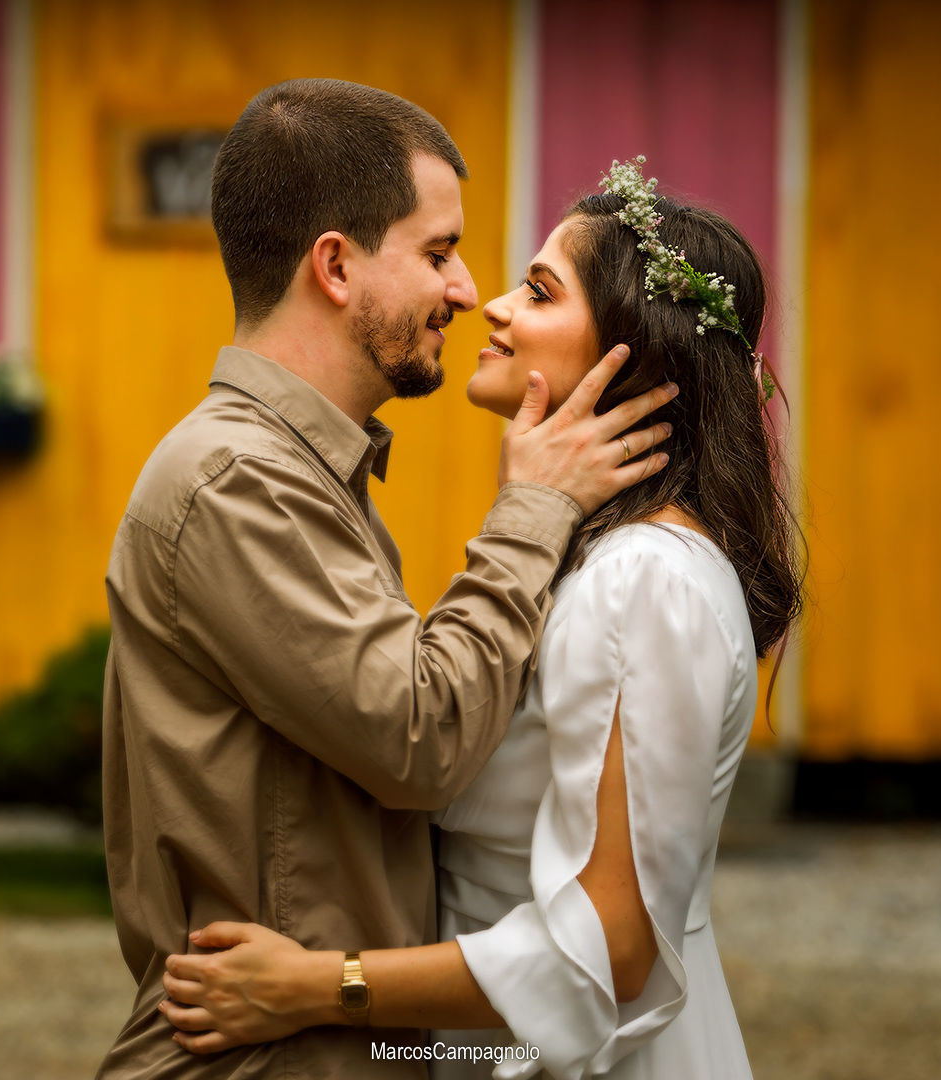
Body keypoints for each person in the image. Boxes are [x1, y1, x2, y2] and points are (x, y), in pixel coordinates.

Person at [155, 159, 805, 1079]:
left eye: (538, 292)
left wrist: (316, 987)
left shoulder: (647, 579)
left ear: (634, 353)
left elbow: (614, 948)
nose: (488, 306)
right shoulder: (591, 557)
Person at [96, 83, 676, 1080]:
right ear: (334, 265)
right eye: (438, 252)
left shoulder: (303, 470)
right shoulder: (237, 480)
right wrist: (532, 508)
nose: (466, 291)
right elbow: (421, 739)